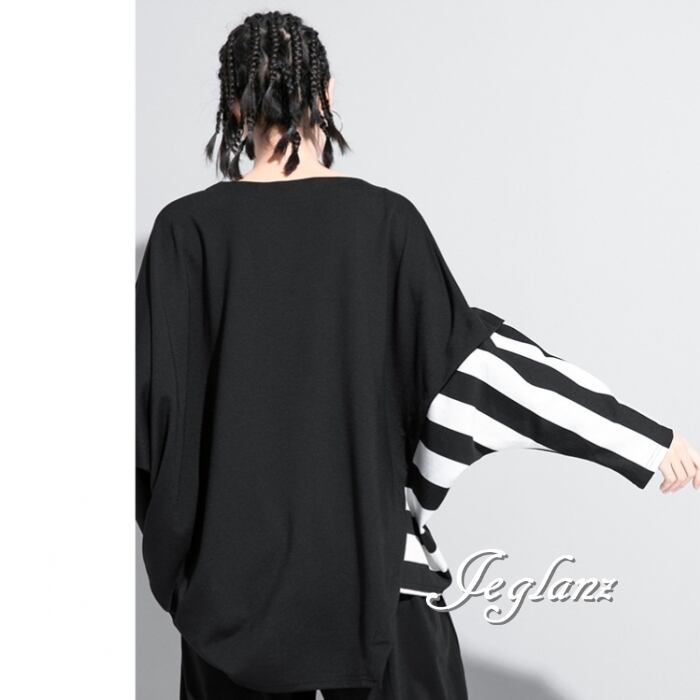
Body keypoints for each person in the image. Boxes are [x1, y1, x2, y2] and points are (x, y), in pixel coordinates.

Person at [135, 11, 699, 700]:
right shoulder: (383, 223)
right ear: (327, 93)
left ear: (232, 106)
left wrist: (192, 580)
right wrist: (642, 441)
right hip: (378, 589)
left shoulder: (182, 235)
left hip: (229, 606)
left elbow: (148, 432)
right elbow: (476, 373)